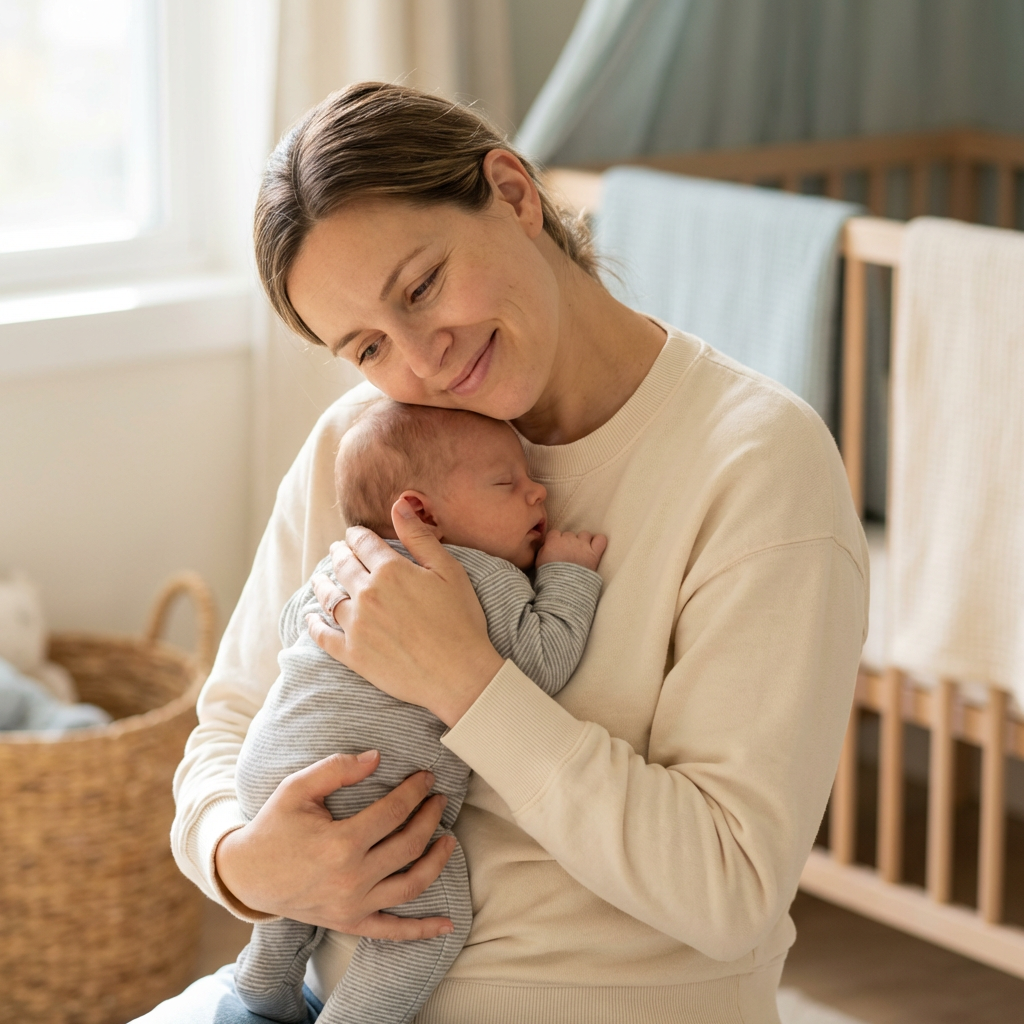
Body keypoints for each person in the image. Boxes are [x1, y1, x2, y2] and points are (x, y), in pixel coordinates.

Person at [139, 82, 868, 1024]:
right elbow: (229, 722)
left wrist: (467, 681)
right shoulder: (365, 444)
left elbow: (730, 890)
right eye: (366, 344)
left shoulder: (756, 461)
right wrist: (246, 861)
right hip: (320, 996)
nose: (422, 358)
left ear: (514, 194)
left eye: (422, 286)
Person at [232, 399, 604, 1024]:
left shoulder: (344, 564)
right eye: (506, 483)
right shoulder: (480, 574)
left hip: (268, 780)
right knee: (434, 910)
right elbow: (541, 664)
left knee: (304, 878)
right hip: (365, 789)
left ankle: (265, 978)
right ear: (421, 514)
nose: (538, 493)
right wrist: (566, 575)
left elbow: (290, 624)